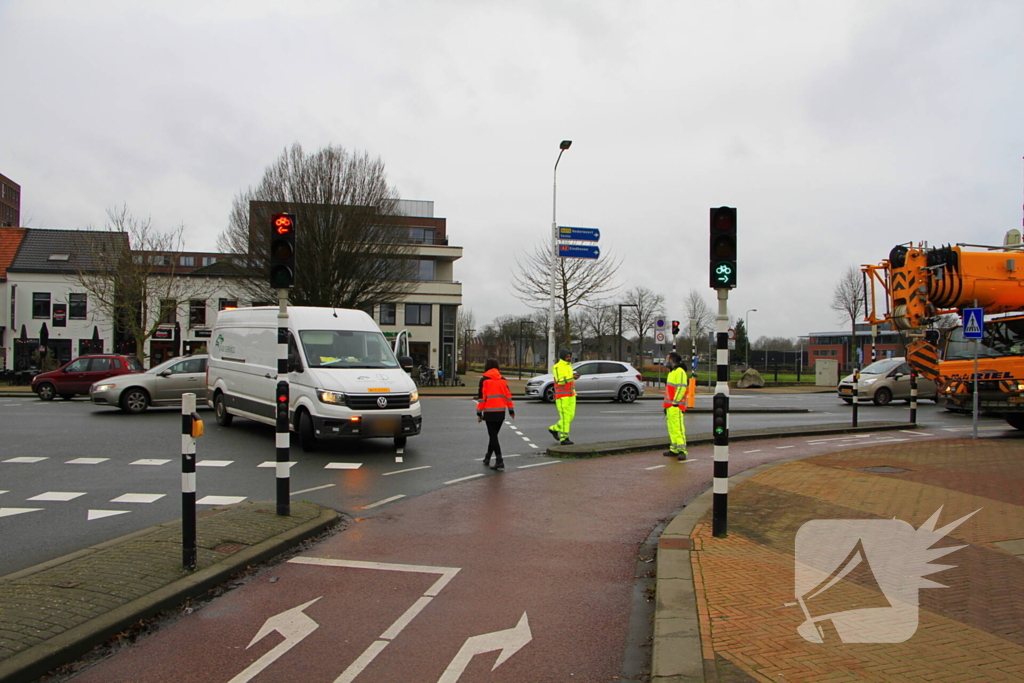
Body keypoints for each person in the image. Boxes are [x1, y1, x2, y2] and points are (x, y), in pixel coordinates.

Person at [476, 359, 516, 470]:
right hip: (501, 412)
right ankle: (488, 457)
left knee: (493, 436)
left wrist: (479, 413)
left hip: (489, 412)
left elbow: (481, 398)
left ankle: (499, 460)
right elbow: (508, 396)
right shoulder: (503, 380)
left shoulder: (484, 380)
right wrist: (511, 410)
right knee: (493, 436)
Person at [548, 348, 579, 445]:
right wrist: (572, 378)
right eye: (567, 356)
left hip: (571, 395)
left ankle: (554, 428)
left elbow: (568, 380)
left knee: (570, 416)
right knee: (565, 417)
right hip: (562, 396)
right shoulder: (557, 367)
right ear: (562, 357)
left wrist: (574, 376)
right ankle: (564, 438)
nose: (569, 358)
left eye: (570, 356)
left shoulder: (569, 366)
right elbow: (560, 381)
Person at [663, 352, 688, 460]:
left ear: (672, 360)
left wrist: (675, 402)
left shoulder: (680, 372)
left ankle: (682, 450)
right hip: (670, 405)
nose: (666, 361)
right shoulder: (672, 372)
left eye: (667, 359)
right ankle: (674, 448)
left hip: (675, 406)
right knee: (672, 428)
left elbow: (682, 387)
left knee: (678, 428)